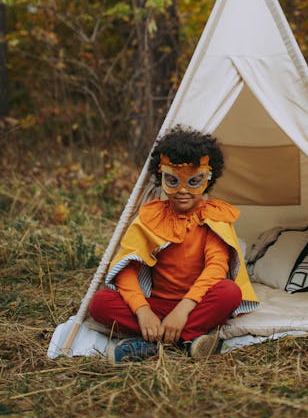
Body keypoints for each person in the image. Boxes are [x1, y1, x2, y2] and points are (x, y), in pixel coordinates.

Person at [89, 126, 258, 364]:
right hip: (155, 306)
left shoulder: (213, 218)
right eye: (173, 180)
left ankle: (151, 343)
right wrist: (143, 312)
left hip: (196, 305)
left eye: (193, 181)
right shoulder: (151, 217)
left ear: (207, 179)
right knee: (100, 303)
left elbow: (216, 268)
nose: (182, 190)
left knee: (229, 292)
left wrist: (183, 310)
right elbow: (126, 269)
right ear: (161, 177)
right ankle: (185, 341)